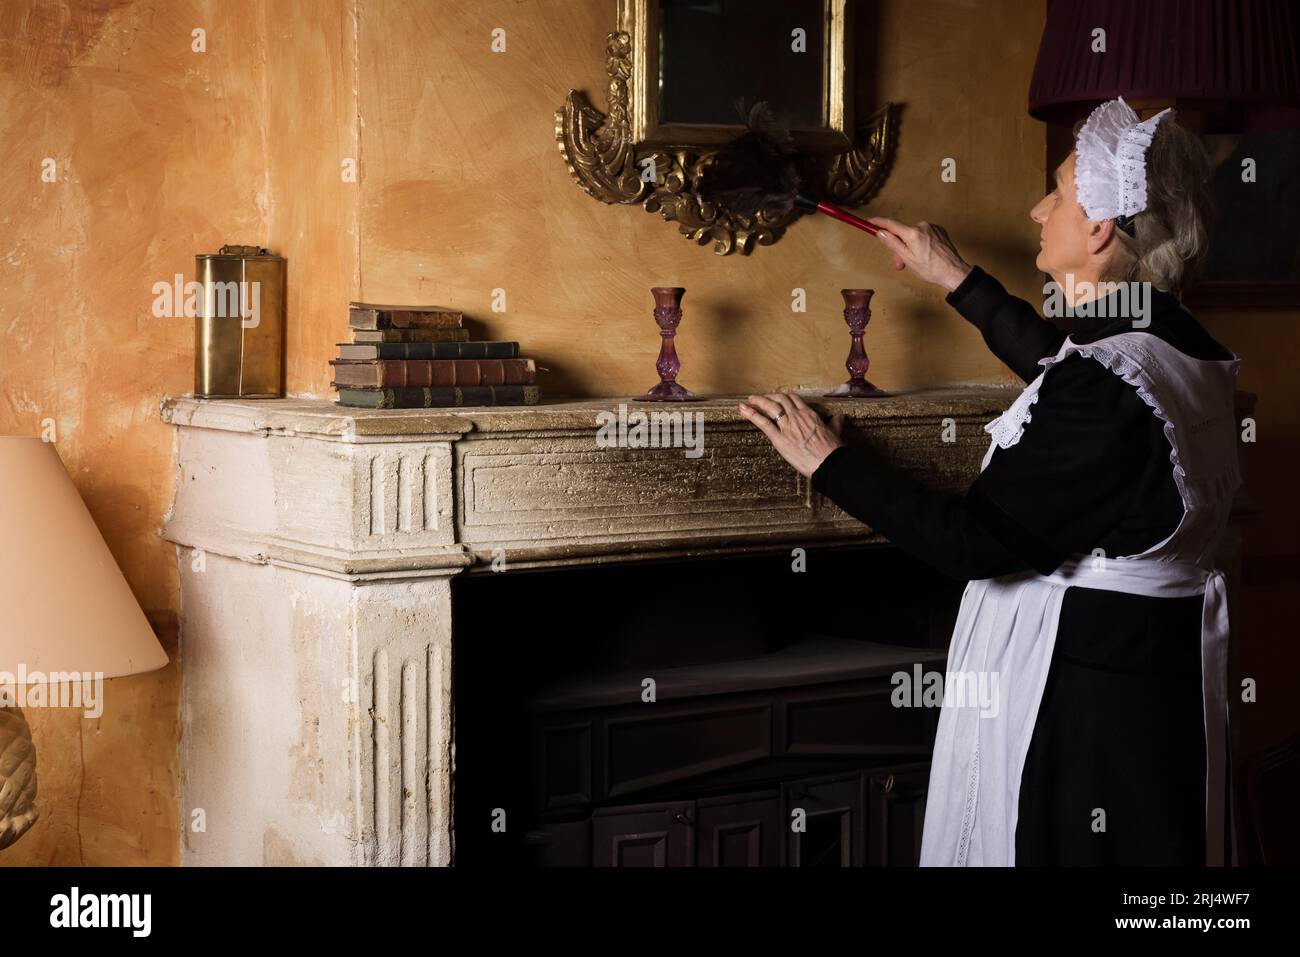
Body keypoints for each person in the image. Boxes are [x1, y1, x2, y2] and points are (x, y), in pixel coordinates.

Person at [738, 97, 1242, 866]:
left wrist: (827, 460)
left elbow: (971, 541)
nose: (1038, 208)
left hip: (1088, 713)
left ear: (1102, 229)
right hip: (1149, 682)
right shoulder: (1173, 336)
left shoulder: (1109, 383)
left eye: (1061, 193)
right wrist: (958, 279)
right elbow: (1066, 372)